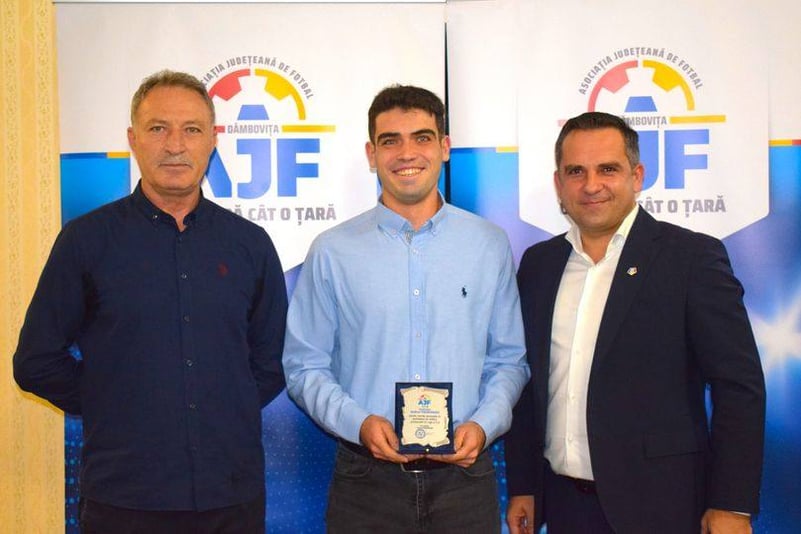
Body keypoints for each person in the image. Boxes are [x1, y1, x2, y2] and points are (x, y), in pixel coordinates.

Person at [13, 70, 287, 533]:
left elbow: (271, 362)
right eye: (158, 128)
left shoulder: (250, 245)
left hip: (230, 497)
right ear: (133, 140)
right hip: (123, 498)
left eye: (192, 129)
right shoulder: (86, 241)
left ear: (213, 140)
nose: (175, 145)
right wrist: (113, 401)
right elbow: (36, 362)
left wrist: (222, 403)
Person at [282, 84, 529, 533]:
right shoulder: (333, 251)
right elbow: (304, 367)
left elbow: (509, 360)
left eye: (422, 137)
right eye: (390, 140)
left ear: (445, 148)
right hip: (365, 484)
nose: (407, 153)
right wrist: (359, 424)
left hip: (464, 483)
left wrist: (484, 425)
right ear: (371, 154)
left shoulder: (489, 245)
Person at [505, 111, 766, 534]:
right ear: (559, 184)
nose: (591, 185)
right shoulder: (539, 265)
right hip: (563, 505)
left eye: (608, 169)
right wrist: (525, 487)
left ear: (637, 175)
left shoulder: (690, 259)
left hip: (662, 507)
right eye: (576, 171)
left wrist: (731, 504)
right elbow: (529, 382)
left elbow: (739, 387)